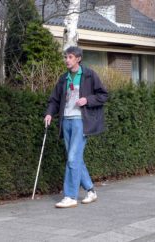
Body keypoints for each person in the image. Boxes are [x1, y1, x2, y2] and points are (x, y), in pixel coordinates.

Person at [44, 46, 108, 208]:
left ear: (78, 59)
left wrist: (87, 100)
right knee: (75, 159)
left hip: (81, 121)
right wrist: (49, 113)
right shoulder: (63, 78)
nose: (67, 60)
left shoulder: (89, 75)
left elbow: (103, 95)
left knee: (72, 158)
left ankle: (70, 196)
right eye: (66, 57)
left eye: (70, 57)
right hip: (66, 121)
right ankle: (91, 190)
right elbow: (54, 100)